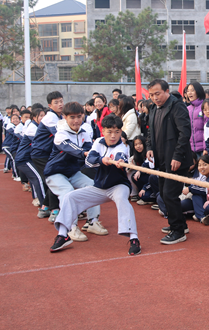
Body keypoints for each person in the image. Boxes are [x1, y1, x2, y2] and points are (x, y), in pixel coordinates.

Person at [50, 114, 141, 255]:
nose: (113, 136)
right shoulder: (98, 142)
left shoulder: (123, 147)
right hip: (100, 187)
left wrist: (118, 161)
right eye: (109, 132)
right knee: (70, 197)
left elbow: (120, 156)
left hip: (118, 186)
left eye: (117, 132)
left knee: (122, 199)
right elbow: (89, 160)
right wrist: (102, 160)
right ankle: (63, 235)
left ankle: (134, 238)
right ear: (103, 131)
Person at [44, 102, 105, 241]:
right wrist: (85, 153)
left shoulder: (84, 132)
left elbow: (92, 151)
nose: (76, 120)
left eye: (79, 116)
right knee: (68, 193)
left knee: (94, 187)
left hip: (72, 172)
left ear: (83, 116)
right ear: (64, 117)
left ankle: (92, 222)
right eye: (72, 117)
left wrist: (103, 159)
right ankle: (70, 227)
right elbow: (71, 148)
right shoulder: (60, 134)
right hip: (55, 173)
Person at [146, 79, 194, 244]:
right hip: (161, 160)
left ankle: (178, 231)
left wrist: (177, 156)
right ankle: (180, 223)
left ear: (167, 91)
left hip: (176, 160)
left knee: (170, 194)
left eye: (157, 93)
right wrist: (149, 147)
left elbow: (184, 133)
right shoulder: (153, 109)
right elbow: (150, 132)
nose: (155, 98)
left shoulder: (177, 106)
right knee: (164, 194)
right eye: (151, 95)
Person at [31, 92, 64, 219]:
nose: (60, 104)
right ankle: (54, 210)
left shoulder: (59, 117)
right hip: (41, 154)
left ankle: (45, 208)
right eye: (56, 102)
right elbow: (60, 135)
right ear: (50, 105)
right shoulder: (50, 117)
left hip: (48, 153)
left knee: (55, 178)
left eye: (61, 101)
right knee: (55, 178)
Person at [15, 108, 47, 207]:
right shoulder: (33, 128)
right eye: (40, 115)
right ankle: (45, 205)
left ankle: (37, 199)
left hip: (30, 158)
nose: (43, 118)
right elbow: (41, 143)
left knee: (37, 178)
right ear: (34, 117)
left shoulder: (39, 126)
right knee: (38, 178)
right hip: (23, 159)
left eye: (44, 115)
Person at [182, 154, 209, 225]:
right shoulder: (203, 175)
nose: (202, 167)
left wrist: (190, 189)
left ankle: (202, 216)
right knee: (183, 204)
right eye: (200, 165)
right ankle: (202, 216)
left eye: (205, 165)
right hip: (205, 200)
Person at [187, 81, 207, 158]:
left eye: (192, 90)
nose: (189, 93)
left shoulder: (204, 107)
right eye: (188, 91)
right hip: (190, 150)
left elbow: (207, 128)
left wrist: (206, 148)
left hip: (203, 150)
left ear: (198, 91)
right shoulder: (187, 109)